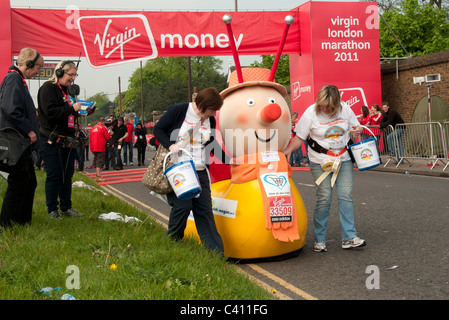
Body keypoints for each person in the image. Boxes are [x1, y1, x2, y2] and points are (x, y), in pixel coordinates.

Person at [284, 85, 366, 252]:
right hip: (319, 161)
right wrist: (288, 151)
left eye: (329, 106)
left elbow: (355, 128)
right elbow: (300, 137)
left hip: (343, 159)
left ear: (337, 104)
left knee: (346, 196)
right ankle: (319, 239)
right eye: (322, 105)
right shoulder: (310, 113)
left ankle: (349, 237)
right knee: (324, 197)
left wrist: (357, 131)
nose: (325, 109)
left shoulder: (346, 110)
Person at [153, 87, 225, 254]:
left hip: (199, 169)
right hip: (179, 168)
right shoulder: (178, 111)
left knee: (204, 210)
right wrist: (171, 145)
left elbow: (211, 144)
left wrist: (230, 161)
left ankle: (216, 254)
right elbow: (158, 130)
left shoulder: (209, 120)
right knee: (183, 206)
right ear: (202, 105)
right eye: (212, 110)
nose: (214, 114)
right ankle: (173, 241)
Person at [0, 48, 43, 229]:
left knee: (29, 182)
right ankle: (7, 225)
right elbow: (10, 109)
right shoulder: (14, 80)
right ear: (29, 64)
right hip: (17, 141)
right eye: (36, 69)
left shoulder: (17, 80)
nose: (37, 72)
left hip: (21, 142)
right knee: (18, 184)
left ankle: (22, 222)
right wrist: (29, 130)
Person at [37, 60, 84, 219]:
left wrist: (82, 111)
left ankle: (66, 207)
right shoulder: (48, 89)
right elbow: (51, 112)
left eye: (75, 75)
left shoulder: (68, 91)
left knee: (67, 175)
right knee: (54, 174)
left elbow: (68, 114)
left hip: (68, 139)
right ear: (59, 73)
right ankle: (52, 209)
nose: (73, 78)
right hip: (52, 139)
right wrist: (71, 109)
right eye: (70, 75)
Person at [89, 117, 110, 182]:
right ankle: (98, 176)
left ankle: (97, 174)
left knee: (96, 160)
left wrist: (91, 149)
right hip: (100, 147)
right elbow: (108, 137)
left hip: (94, 147)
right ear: (103, 122)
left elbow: (90, 139)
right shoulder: (103, 128)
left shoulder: (93, 128)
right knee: (99, 161)